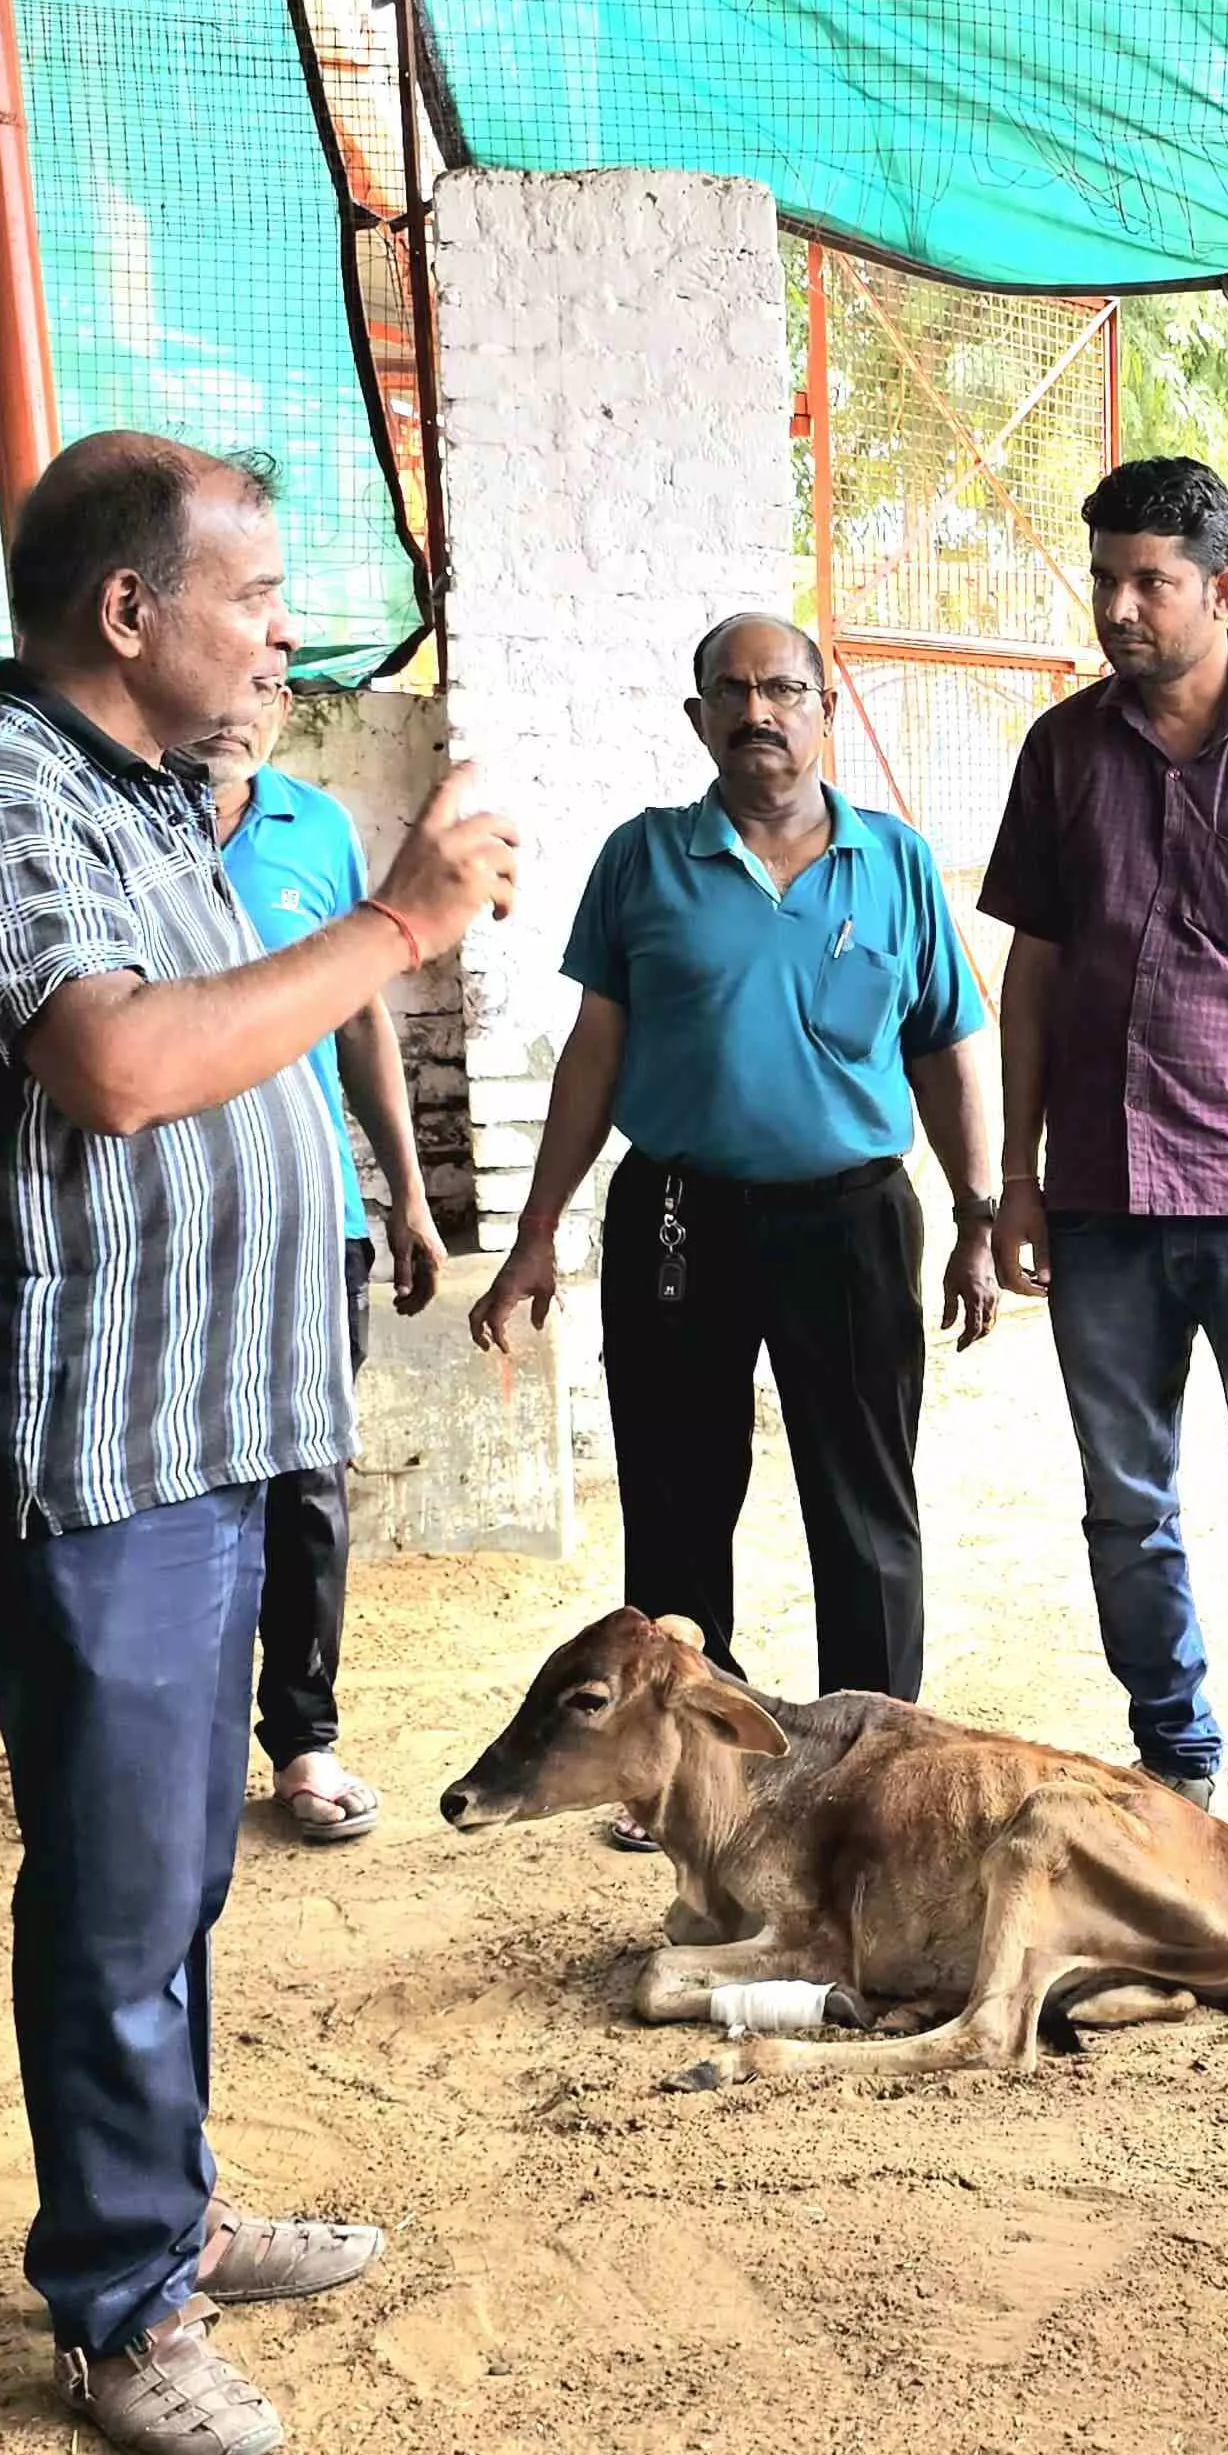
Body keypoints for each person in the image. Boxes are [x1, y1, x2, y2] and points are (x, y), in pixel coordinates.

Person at [0, 430, 517, 2455]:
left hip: (201, 1425)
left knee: (163, 1875)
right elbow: (125, 1066)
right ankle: (120, 2301)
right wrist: (401, 928)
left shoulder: (152, 803)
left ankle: (174, 2203)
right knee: (118, 1879)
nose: (285, 628)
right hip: (98, 1451)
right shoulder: (7, 791)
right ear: (128, 612)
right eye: (254, 593)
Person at [471, 613, 999, 1718]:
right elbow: (594, 1055)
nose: (759, 711)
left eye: (783, 690)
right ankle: (679, 1749)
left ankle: (871, 1743)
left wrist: (978, 1216)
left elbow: (949, 1045)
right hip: (676, 1218)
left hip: (850, 1220)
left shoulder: (892, 860)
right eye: (733, 690)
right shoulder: (644, 857)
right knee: (673, 1497)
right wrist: (534, 1237)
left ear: (825, 709)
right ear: (699, 715)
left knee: (863, 1498)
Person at [981, 458, 1228, 1899]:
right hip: (1104, 1194)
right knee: (1125, 1499)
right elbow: (1035, 973)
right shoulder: (1063, 752)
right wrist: (1014, 1173)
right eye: (1105, 579)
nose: (1120, 608)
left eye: (1151, 582)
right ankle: (1173, 1760)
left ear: (1222, 592)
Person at [198, 680, 448, 1845]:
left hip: (311, 1217)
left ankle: (302, 1742)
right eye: (232, 673)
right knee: (180, 1485)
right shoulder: (118, 824)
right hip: (165, 1217)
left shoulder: (320, 831)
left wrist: (405, 1195)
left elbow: (359, 1019)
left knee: (306, 1481)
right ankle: (178, 1745)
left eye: (270, 683)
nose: (245, 705)